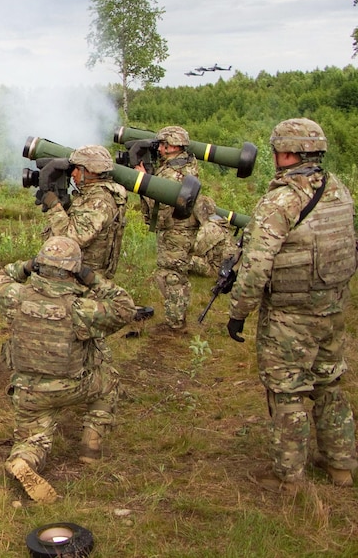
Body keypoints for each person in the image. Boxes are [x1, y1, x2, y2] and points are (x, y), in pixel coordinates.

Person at [227, 118, 358, 490]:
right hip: (331, 307)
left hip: (290, 314)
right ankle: (342, 465)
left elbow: (255, 266)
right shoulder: (339, 190)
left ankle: (289, 477)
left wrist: (239, 312)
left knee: (287, 390)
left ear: (286, 153)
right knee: (329, 383)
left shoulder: (282, 199)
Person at [0, 235, 136, 503]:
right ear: (73, 270)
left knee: (33, 440)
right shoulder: (81, 308)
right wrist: (92, 278)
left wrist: (26, 265)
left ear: (40, 266)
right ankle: (90, 447)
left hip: (28, 391)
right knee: (109, 380)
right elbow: (126, 307)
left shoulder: (16, 296)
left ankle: (24, 460)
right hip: (73, 385)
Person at [138, 126, 199, 332]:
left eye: (162, 145)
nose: (160, 150)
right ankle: (176, 319)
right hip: (182, 228)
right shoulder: (186, 164)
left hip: (175, 230)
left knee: (171, 276)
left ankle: (175, 324)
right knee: (177, 274)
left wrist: (143, 181)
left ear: (171, 146)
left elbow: (162, 207)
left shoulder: (172, 173)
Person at [41, 145, 127, 279]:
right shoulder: (91, 195)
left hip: (83, 278)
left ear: (91, 171)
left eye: (77, 169)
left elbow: (71, 240)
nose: (73, 173)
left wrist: (54, 206)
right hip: (77, 272)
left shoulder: (98, 202)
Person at [188, 195, 240, 278]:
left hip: (215, 270)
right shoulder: (219, 222)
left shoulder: (211, 228)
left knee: (181, 257)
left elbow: (195, 249)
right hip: (223, 266)